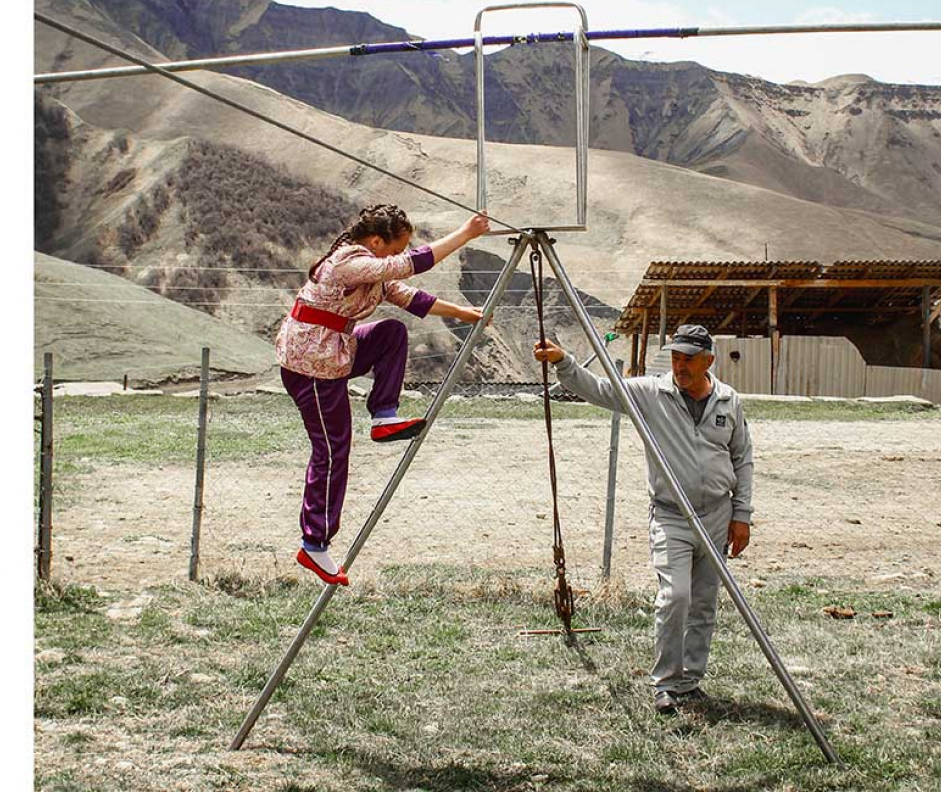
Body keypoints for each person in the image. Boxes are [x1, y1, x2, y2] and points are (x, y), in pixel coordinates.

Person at [533, 324, 753, 714]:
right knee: (676, 597)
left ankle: (690, 681)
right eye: (675, 357)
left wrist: (741, 515)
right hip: (672, 515)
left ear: (709, 361)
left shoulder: (728, 401)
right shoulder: (652, 392)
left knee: (704, 602)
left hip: (718, 514)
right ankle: (666, 683)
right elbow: (601, 389)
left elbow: (742, 459)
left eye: (688, 358)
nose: (680, 365)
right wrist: (564, 362)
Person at [278, 204, 490, 586]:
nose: (395, 257)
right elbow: (413, 264)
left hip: (333, 351)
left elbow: (411, 297)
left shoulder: (371, 270)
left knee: (391, 332)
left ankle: (384, 415)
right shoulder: (350, 263)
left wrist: (462, 312)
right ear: (376, 241)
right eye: (393, 249)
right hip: (310, 364)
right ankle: (314, 542)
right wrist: (465, 234)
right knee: (331, 450)